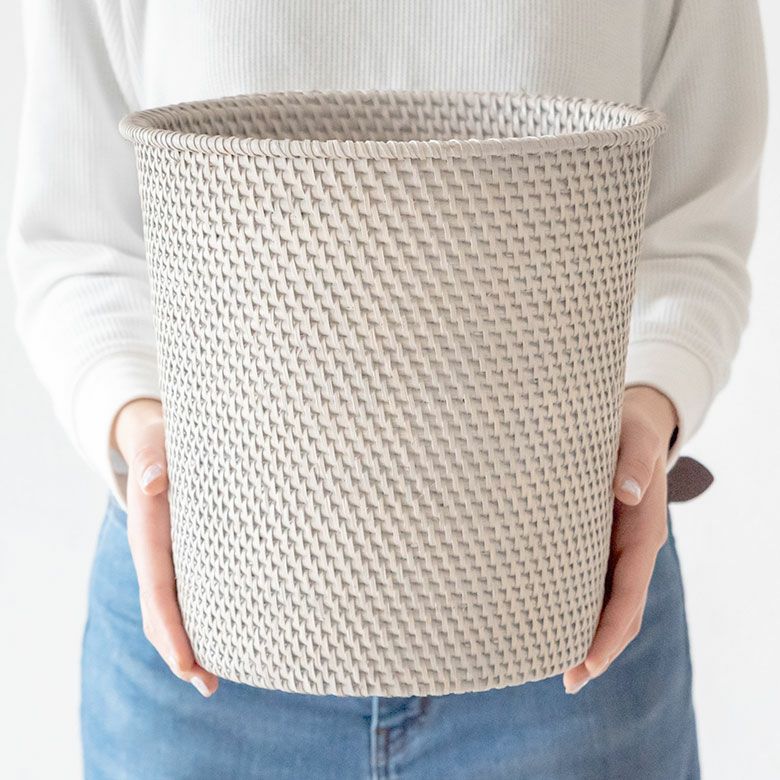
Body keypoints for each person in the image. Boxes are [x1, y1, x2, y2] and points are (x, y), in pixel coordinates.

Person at [6, 1, 767, 778]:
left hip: (559, 610)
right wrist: (135, 424)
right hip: (209, 614)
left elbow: (693, 228)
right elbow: (78, 236)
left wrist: (651, 403)